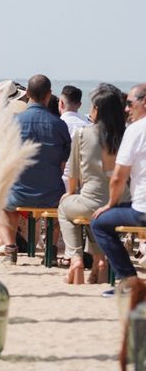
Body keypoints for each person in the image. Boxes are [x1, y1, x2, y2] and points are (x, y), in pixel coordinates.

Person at [0, 74, 71, 264]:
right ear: (49, 95)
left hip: (19, 193)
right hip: (51, 194)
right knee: (60, 205)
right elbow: (64, 161)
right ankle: (50, 250)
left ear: (27, 93)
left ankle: (10, 247)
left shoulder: (14, 122)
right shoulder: (59, 124)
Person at [58, 84, 129, 284]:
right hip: (121, 202)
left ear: (97, 109)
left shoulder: (82, 134)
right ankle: (100, 262)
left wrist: (70, 193)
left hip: (91, 200)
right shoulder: (126, 135)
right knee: (95, 214)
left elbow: (73, 174)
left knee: (66, 208)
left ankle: (76, 258)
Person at [91, 83, 146, 291]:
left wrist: (110, 204)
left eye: (130, 104)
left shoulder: (136, 130)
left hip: (142, 210)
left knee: (99, 223)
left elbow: (118, 177)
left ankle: (129, 281)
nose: (126, 108)